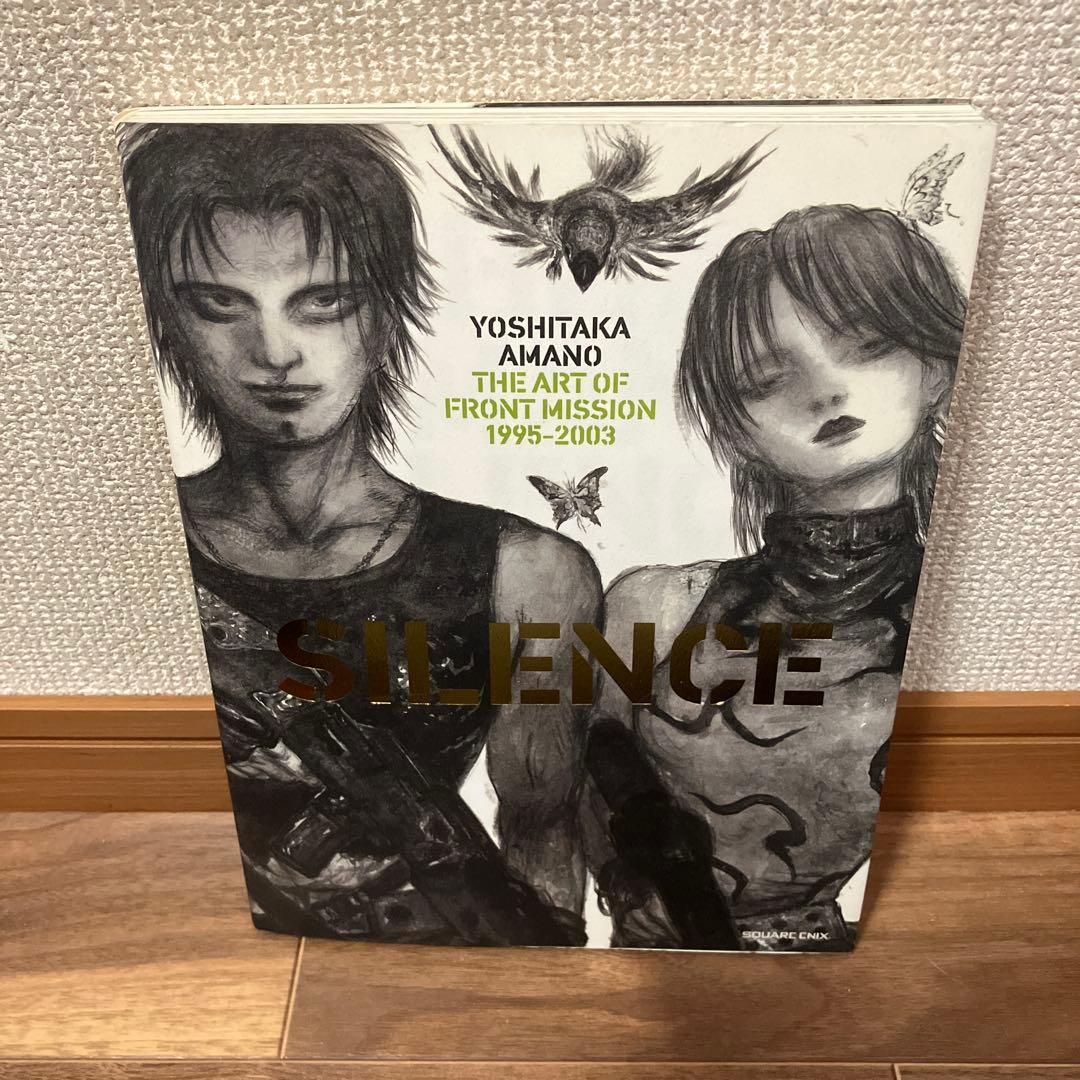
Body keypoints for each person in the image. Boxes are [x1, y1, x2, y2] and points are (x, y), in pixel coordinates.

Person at [120, 123, 601, 945]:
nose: (274, 353)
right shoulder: (127, 553)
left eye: (323, 304)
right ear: (166, 324)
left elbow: (541, 833)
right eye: (218, 306)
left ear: (383, 320)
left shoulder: (528, 573)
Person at [585, 204, 964, 951]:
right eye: (766, 379)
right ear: (732, 426)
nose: (824, 392)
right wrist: (628, 886)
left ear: (939, 369)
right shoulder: (655, 605)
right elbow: (591, 772)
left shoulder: (949, 627)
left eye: (869, 346)